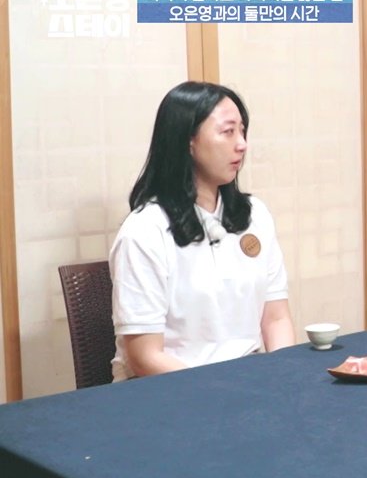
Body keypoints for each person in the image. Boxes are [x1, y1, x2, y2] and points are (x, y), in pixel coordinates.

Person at [109, 81, 295, 381]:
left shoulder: (255, 215)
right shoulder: (144, 230)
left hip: (248, 381)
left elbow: (276, 319)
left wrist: (283, 375)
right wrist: (219, 391)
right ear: (188, 141)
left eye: (243, 131)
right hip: (171, 389)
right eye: (228, 131)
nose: (242, 144)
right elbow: (145, 357)